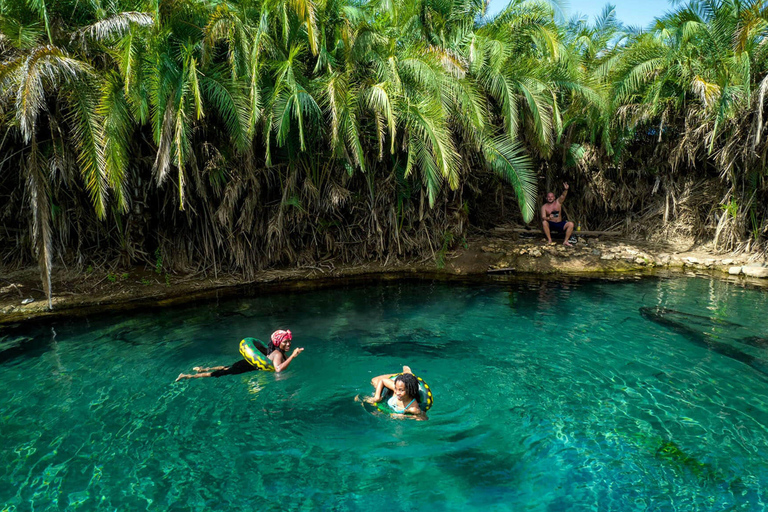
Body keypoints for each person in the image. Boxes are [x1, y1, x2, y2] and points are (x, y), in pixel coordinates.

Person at [175, 329, 304, 381]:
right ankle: (187, 376)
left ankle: (204, 368)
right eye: (285, 342)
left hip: (247, 363)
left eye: (289, 341)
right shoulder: (277, 354)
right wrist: (293, 355)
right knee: (221, 374)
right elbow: (278, 369)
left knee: (226, 367)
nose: (288, 344)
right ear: (278, 342)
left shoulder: (275, 351)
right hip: (247, 367)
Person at [359, 366, 425, 419]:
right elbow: (382, 381)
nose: (397, 392)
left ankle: (407, 374)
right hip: (389, 393)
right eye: (396, 389)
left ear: (410, 391)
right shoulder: (397, 389)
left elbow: (423, 418)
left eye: (401, 390)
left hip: (403, 391)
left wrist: (405, 416)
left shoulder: (413, 408)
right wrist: (377, 397)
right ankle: (403, 374)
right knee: (374, 380)